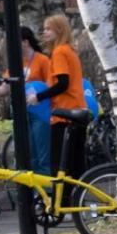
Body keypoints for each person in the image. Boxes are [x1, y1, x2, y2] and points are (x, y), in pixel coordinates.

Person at [40, 14, 88, 179]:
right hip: (77, 110)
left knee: (60, 166)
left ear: (58, 30)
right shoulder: (70, 50)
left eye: (48, 29)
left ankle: (63, 202)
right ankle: (77, 200)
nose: (44, 32)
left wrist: (39, 96)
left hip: (64, 114)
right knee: (76, 165)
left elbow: (63, 83)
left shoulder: (59, 52)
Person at [20, 27, 55, 175]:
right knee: (29, 155)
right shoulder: (16, 62)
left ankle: (47, 192)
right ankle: (33, 191)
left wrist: (37, 94)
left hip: (40, 112)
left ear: (25, 42)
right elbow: (6, 86)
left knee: (43, 154)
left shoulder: (42, 60)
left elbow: (52, 83)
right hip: (22, 112)